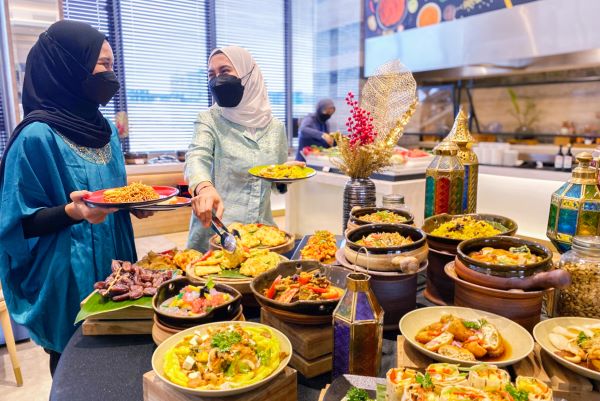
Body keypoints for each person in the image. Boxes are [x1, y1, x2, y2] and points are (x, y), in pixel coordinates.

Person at [0, 20, 146, 375]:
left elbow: (113, 194)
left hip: (115, 259)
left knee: (124, 351)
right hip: (66, 274)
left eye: (113, 65)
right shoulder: (36, 137)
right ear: (69, 67)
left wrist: (134, 204)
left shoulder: (105, 129)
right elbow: (17, 223)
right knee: (75, 366)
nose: (111, 75)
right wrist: (72, 212)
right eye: (103, 65)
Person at [186, 46, 298, 251]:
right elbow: (196, 157)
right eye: (212, 74)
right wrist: (204, 188)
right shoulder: (209, 119)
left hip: (260, 234)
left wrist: (287, 174)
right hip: (217, 233)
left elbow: (276, 183)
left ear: (249, 75)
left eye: (225, 71)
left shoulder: (276, 128)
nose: (217, 79)